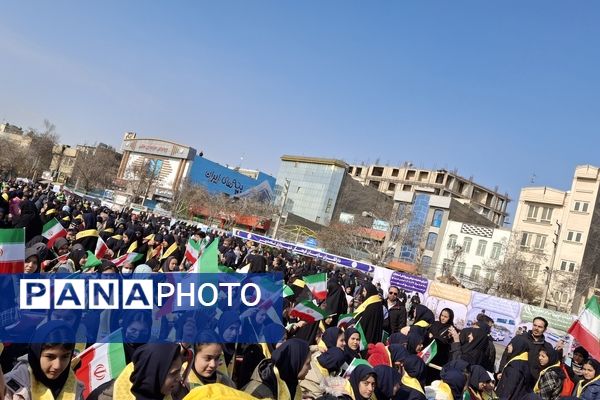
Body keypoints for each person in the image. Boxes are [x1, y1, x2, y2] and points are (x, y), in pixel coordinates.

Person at [2, 321, 84, 399]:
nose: (57, 366)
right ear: (37, 353)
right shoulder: (10, 386)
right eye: (50, 357)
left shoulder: (75, 386)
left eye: (65, 357)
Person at [243, 338, 311, 400]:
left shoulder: (291, 382)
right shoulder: (259, 392)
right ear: (296, 363)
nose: (310, 368)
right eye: (307, 363)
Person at [112, 343, 182, 400]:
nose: (180, 378)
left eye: (179, 372)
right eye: (174, 373)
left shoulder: (164, 395)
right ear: (153, 374)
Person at [496, 335, 532, 400]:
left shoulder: (515, 367)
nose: (508, 346)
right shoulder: (523, 363)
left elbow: (508, 391)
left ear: (517, 347)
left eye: (511, 344)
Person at [426, 308, 454, 383]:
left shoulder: (450, 329)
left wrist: (433, 337)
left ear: (450, 318)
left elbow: (446, 341)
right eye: (442, 315)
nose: (443, 318)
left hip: (439, 357)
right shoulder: (435, 323)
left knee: (433, 378)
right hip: (429, 353)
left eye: (446, 317)